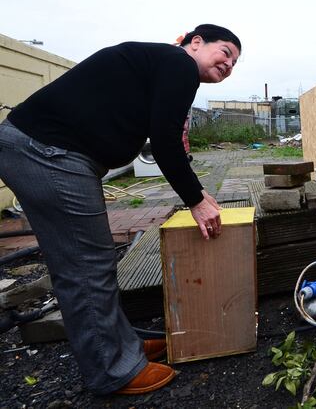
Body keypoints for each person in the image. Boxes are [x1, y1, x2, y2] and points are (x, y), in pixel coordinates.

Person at [0, 24, 241, 395]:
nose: (229, 65)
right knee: (86, 266)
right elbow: (163, 141)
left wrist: (197, 192)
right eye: (225, 52)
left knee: (87, 261)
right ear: (195, 42)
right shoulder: (178, 64)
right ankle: (114, 370)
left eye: (235, 64)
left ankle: (121, 346)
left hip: (48, 151)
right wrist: (194, 199)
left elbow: (166, 133)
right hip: (48, 153)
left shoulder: (162, 66)